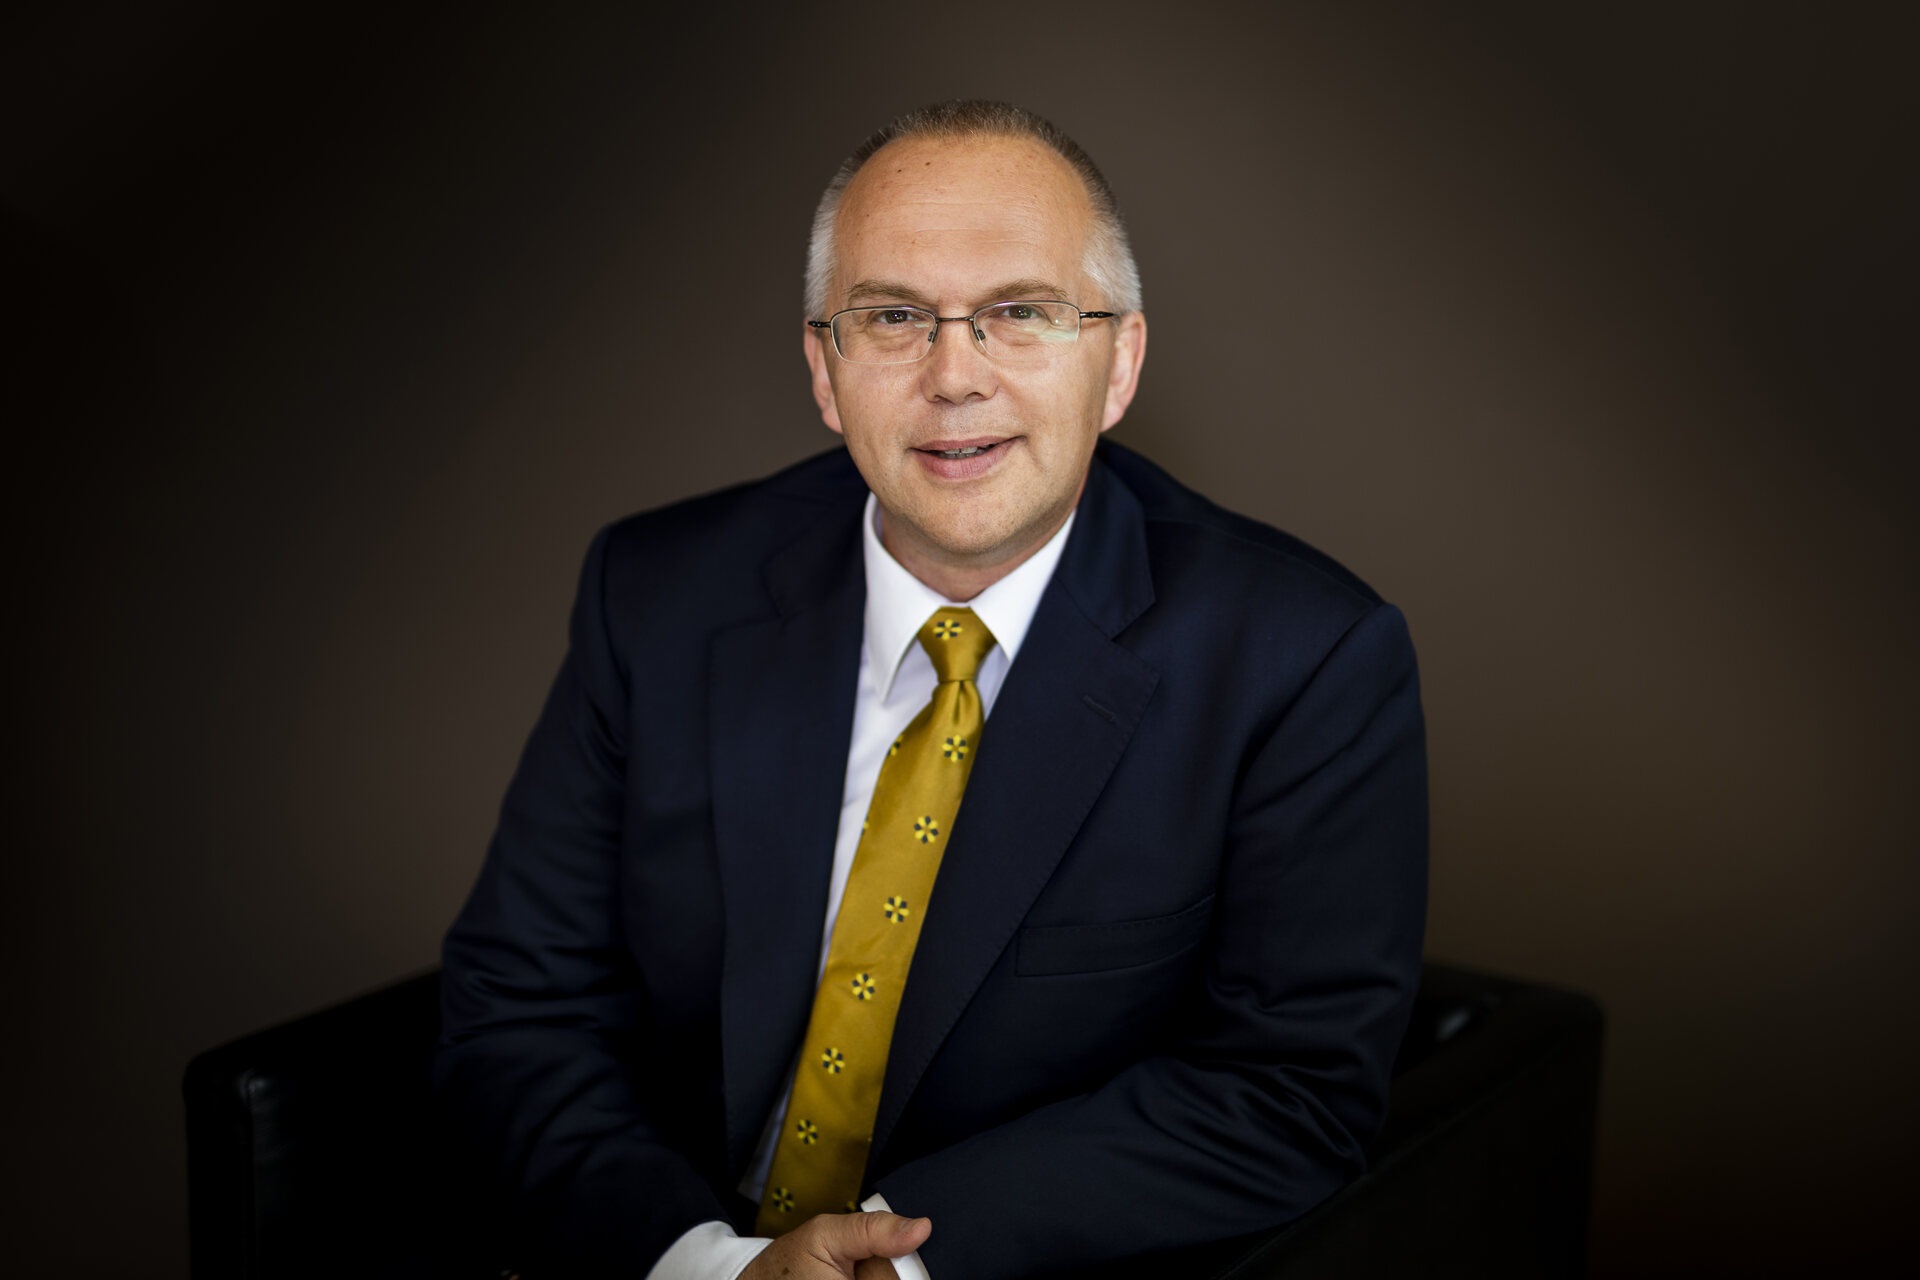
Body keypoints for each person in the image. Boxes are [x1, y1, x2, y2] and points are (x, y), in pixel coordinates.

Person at [435, 100, 1428, 1280]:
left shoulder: (1306, 657)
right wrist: (708, 1264)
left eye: (1022, 313)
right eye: (894, 317)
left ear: (1119, 363)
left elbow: (1288, 1086)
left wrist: (894, 1266)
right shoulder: (656, 591)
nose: (955, 377)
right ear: (825, 370)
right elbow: (520, 999)